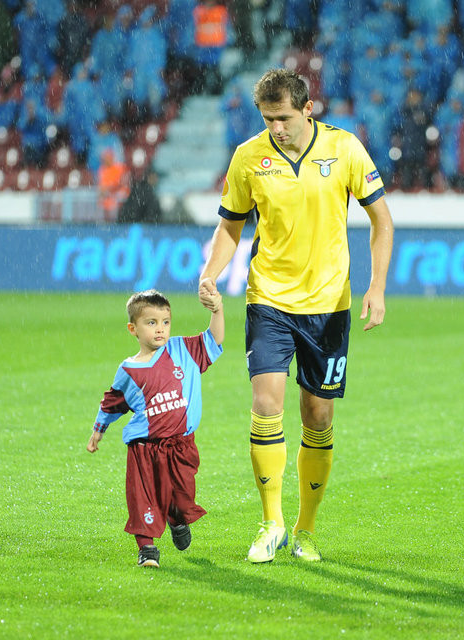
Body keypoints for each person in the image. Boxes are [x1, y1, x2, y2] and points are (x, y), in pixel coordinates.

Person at [198, 69, 393, 564]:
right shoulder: (248, 157)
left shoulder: (345, 149)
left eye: (283, 118)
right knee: (266, 403)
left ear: (308, 109)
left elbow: (381, 220)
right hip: (269, 299)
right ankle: (272, 522)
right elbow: (230, 227)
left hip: (329, 305)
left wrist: (376, 286)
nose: (276, 128)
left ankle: (306, 529)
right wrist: (212, 272)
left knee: (318, 414)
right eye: (268, 119)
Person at [87, 289, 224, 569]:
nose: (160, 329)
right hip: (144, 447)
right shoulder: (128, 370)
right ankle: (147, 548)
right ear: (133, 328)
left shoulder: (183, 350)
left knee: (182, 499)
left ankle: (177, 518)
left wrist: (217, 310)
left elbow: (214, 339)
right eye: (151, 323)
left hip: (182, 445)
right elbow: (112, 402)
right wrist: (98, 430)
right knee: (143, 496)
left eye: (165, 322)